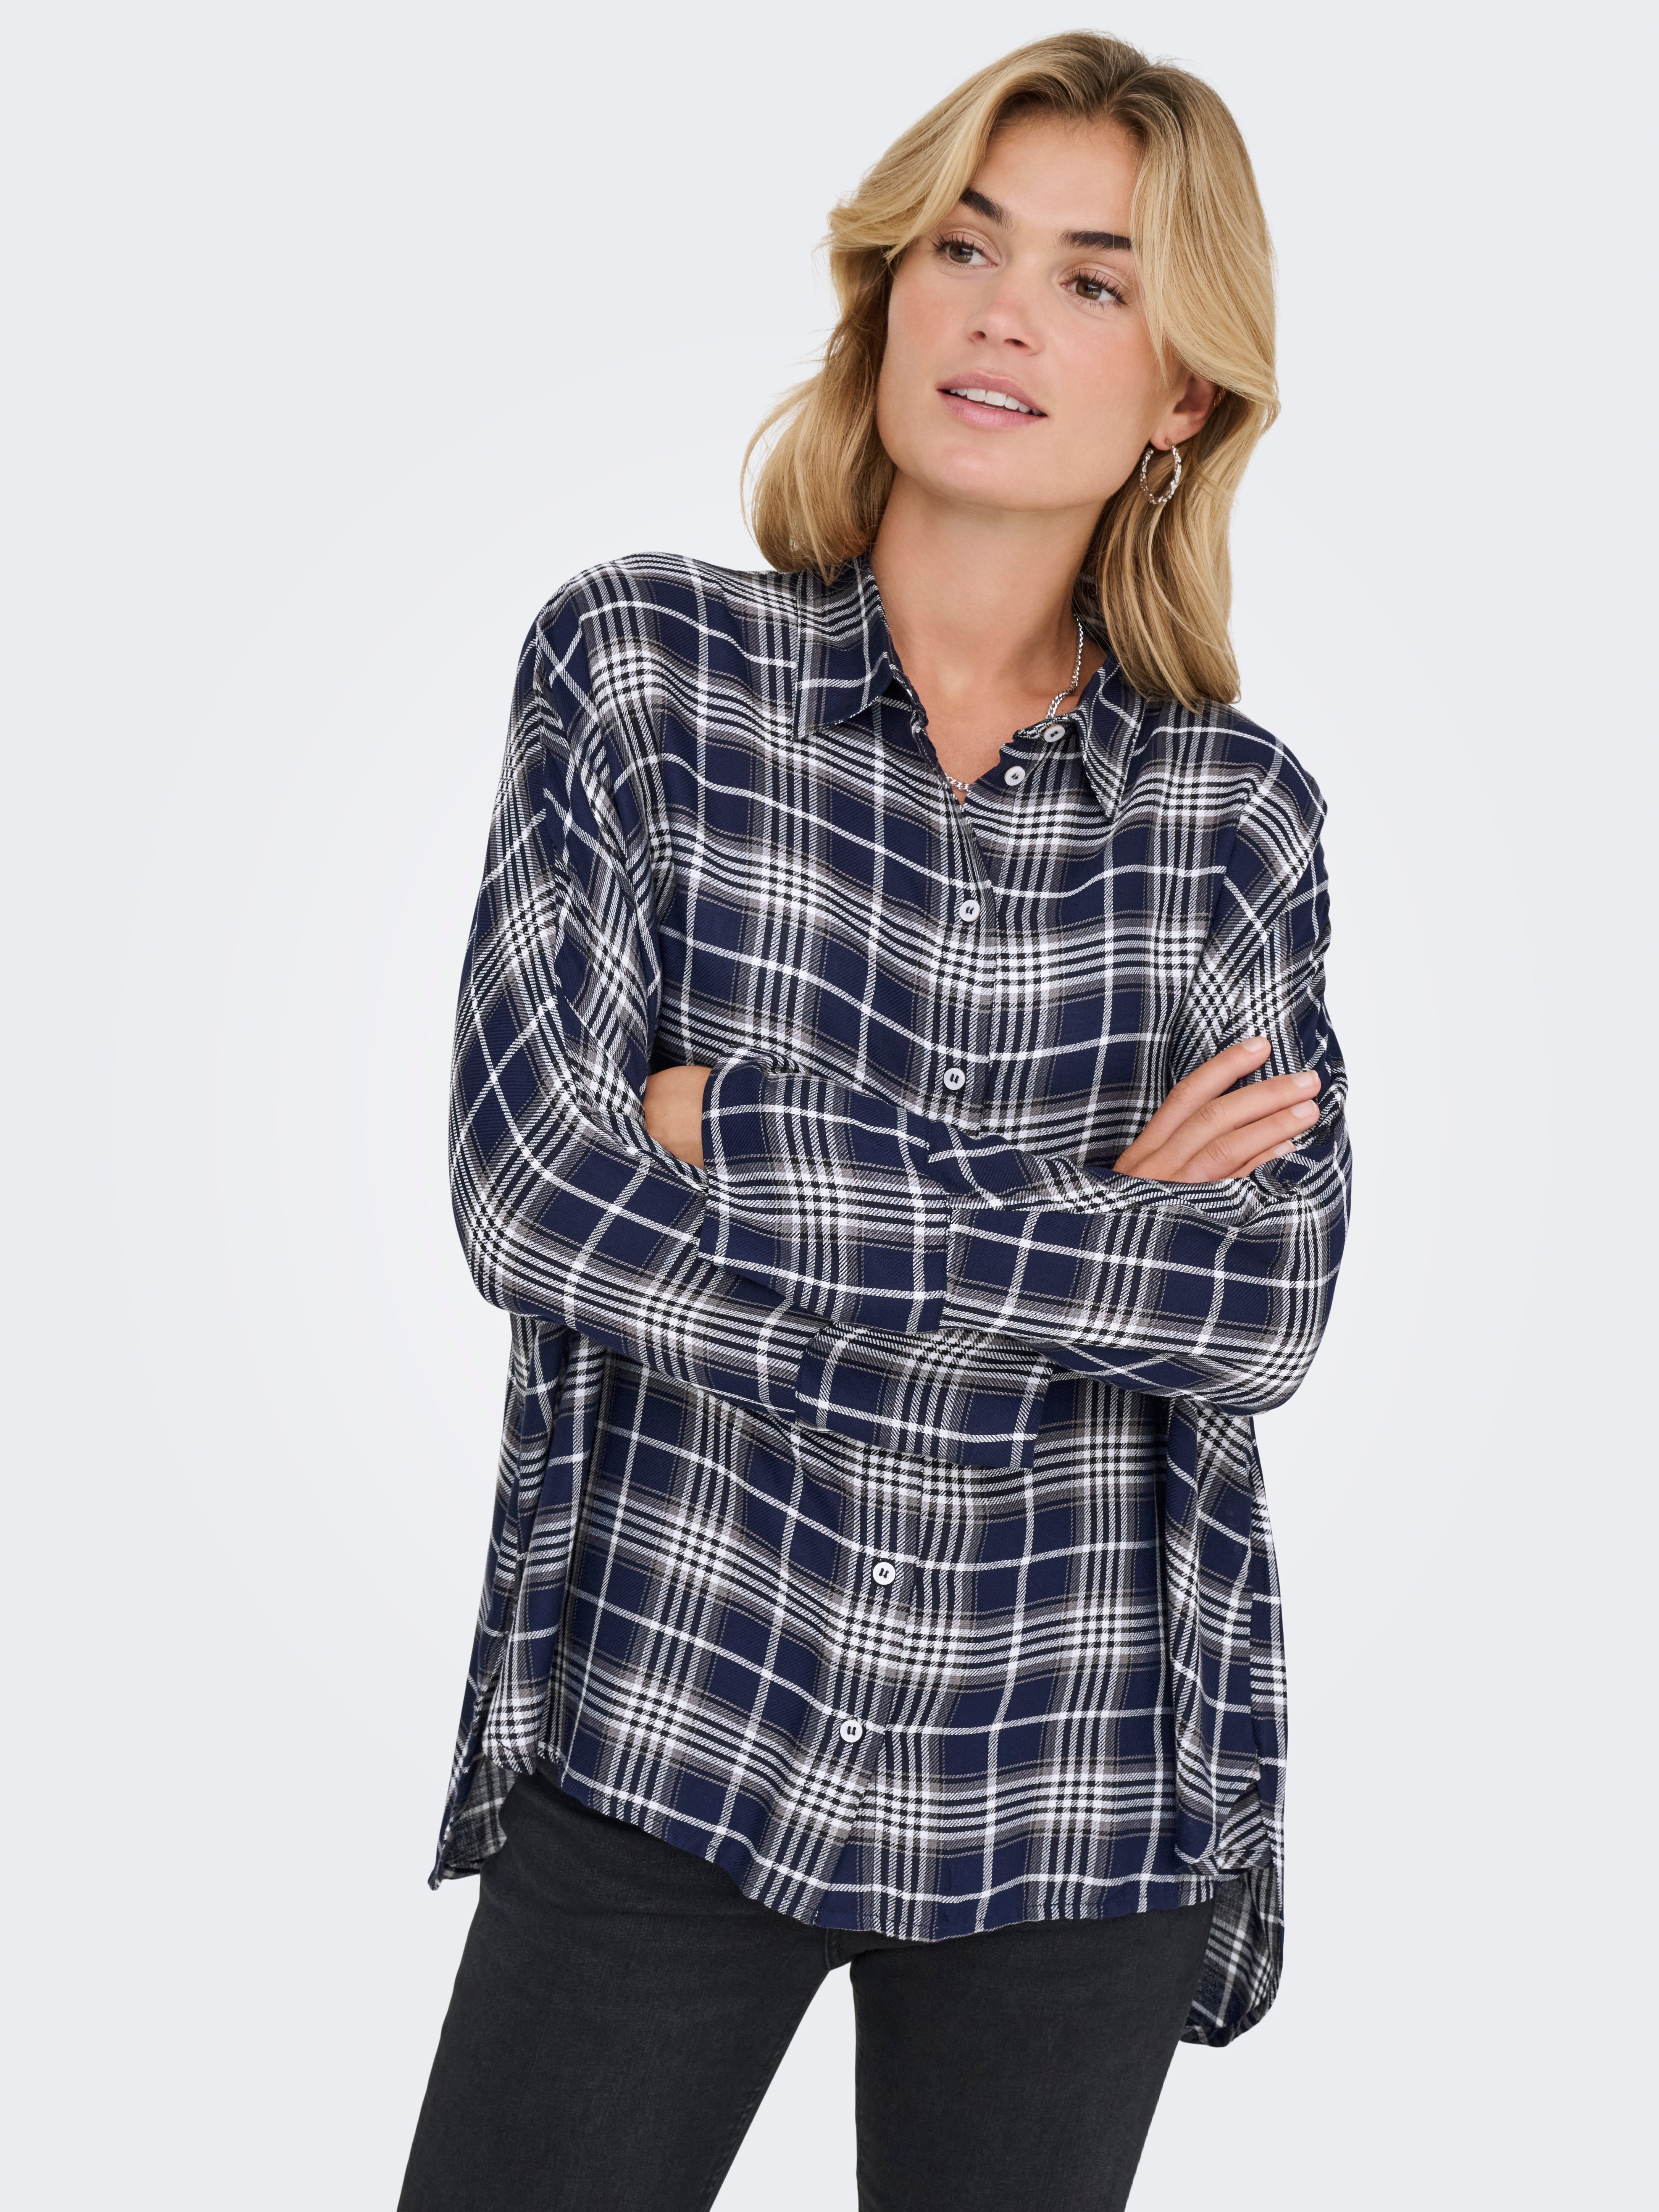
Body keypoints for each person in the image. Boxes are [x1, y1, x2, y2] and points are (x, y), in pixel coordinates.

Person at [398, 31, 1351, 2212]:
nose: (1006, 313)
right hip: (676, 1717)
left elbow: (1266, 1298)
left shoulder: (1234, 816)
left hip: (1077, 1786)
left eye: (1095, 281)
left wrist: (743, 1137)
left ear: (1181, 392)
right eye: (966, 247)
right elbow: (535, 1195)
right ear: (890, 285)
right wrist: (1094, 1224)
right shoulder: (643, 674)